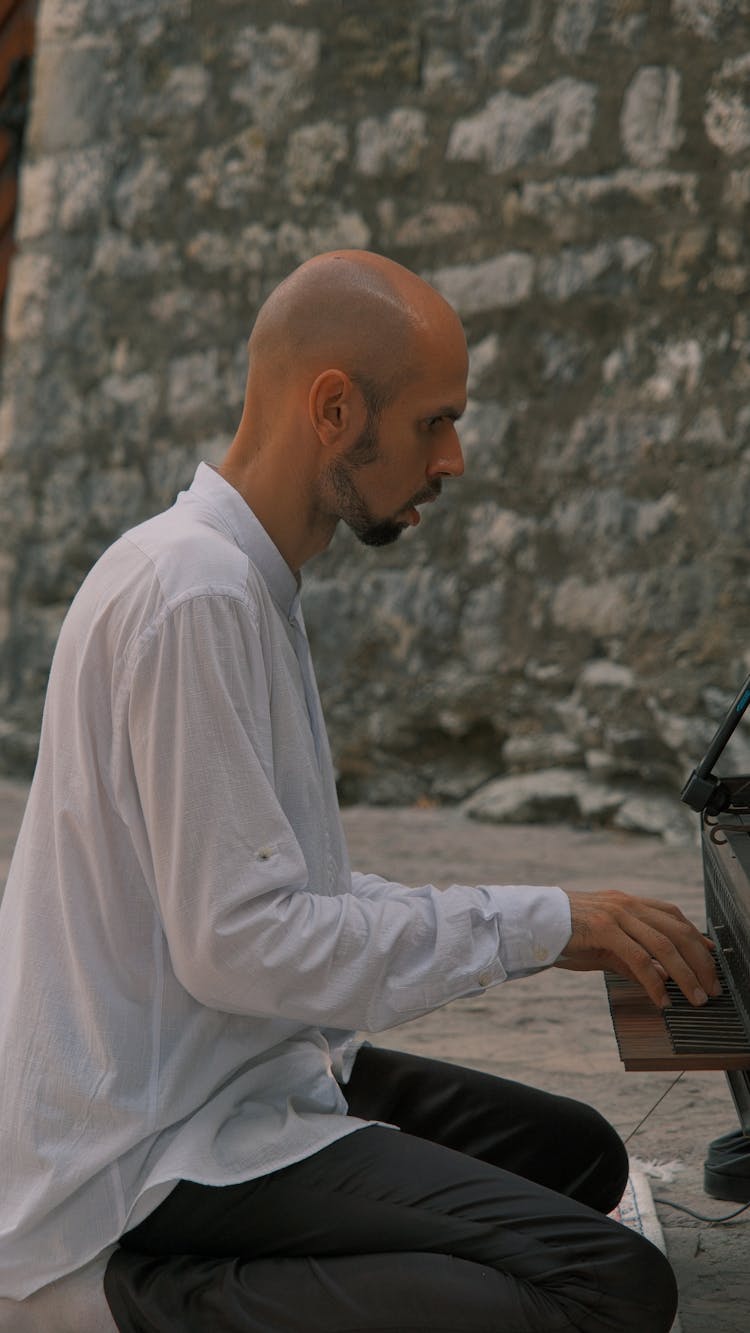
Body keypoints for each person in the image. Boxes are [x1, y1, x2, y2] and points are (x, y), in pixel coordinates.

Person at [0, 250, 720, 1333]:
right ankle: (101, 1305)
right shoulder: (194, 594)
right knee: (608, 1285)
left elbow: (289, 896)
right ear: (334, 408)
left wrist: (565, 920)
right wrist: (543, 925)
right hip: (139, 1151)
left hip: (242, 1070)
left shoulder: (241, 579)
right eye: (435, 422)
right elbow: (243, 943)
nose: (456, 458)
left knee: (577, 1154)